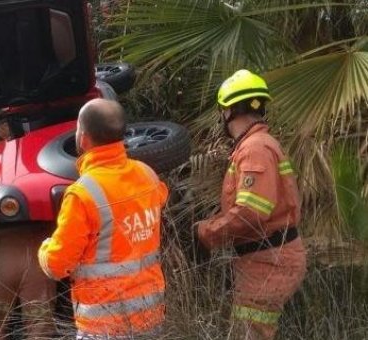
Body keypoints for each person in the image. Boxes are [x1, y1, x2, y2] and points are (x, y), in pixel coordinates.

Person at [38, 99, 169, 339]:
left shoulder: (82, 194)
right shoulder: (148, 175)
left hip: (104, 327)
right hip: (152, 319)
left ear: (83, 138)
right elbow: (156, 200)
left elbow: (58, 265)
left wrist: (45, 249)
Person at [195, 70, 306, 340]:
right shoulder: (259, 144)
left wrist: (205, 233)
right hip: (267, 257)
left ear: (229, 110)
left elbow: (251, 212)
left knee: (249, 334)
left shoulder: (254, 148)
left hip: (268, 261)